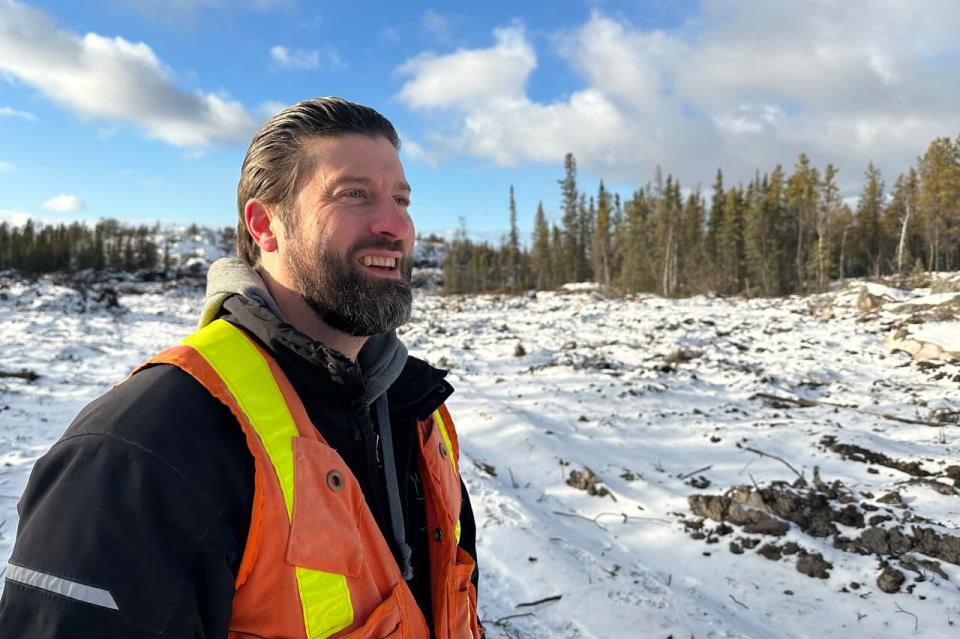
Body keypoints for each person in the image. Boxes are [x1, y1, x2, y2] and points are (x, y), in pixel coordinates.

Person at [0, 97, 482, 638]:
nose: (396, 226)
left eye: (401, 199)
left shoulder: (417, 411)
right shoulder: (145, 444)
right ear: (264, 224)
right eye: (354, 195)